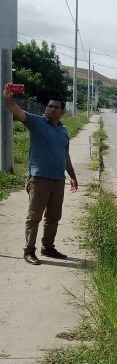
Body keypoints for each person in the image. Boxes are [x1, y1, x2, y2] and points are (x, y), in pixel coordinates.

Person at [3, 83, 78, 265]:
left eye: (56, 107)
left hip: (58, 181)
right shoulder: (36, 122)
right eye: (49, 106)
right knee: (34, 217)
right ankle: (29, 251)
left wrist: (73, 176)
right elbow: (17, 111)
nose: (52, 109)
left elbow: (65, 156)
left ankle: (48, 247)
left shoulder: (63, 131)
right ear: (46, 108)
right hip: (39, 179)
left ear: (62, 112)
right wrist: (8, 99)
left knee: (53, 217)